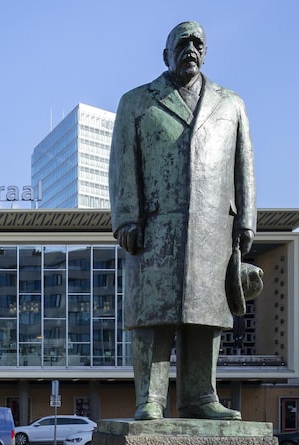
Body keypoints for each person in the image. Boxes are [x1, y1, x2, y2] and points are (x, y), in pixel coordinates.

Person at [109, 20, 256, 420]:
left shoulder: (231, 103)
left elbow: (244, 165)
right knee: (153, 315)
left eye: (198, 43)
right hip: (155, 227)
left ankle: (199, 397)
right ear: (165, 53)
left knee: (204, 315)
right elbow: (123, 165)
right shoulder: (137, 101)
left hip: (213, 226)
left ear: (205, 52)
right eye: (182, 42)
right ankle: (150, 399)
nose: (191, 48)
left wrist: (246, 221)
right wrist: (126, 218)